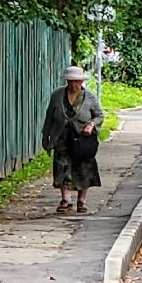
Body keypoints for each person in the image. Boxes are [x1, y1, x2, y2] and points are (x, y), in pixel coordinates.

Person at [41, 65, 105, 215]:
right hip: (61, 138)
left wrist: (91, 125)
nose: (73, 85)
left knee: (83, 168)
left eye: (76, 81)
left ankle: (81, 201)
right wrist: (46, 136)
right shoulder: (57, 95)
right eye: (70, 81)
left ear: (81, 81)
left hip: (82, 139)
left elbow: (99, 115)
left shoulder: (89, 97)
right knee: (62, 166)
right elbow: (49, 116)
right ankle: (66, 200)